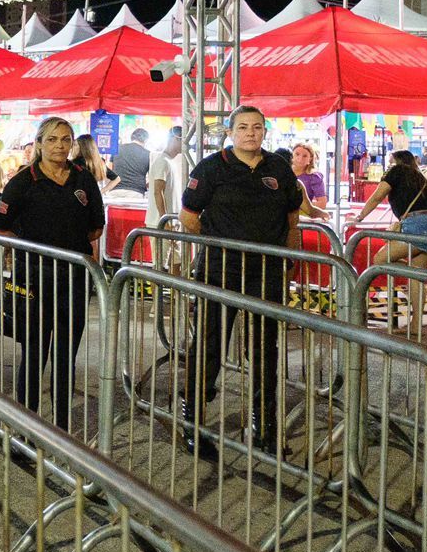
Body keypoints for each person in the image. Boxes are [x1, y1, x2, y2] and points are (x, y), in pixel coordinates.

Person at [178, 105, 301, 460]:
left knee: (264, 350)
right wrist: (220, 243)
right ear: (230, 132)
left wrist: (288, 261)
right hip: (219, 271)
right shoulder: (211, 168)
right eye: (243, 127)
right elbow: (188, 217)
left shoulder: (278, 167)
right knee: (209, 347)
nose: (251, 132)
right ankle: (194, 424)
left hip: (266, 272)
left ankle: (264, 427)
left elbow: (292, 218)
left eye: (257, 127)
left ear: (265, 131)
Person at [0, 116, 105, 431]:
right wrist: (30, 248)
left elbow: (96, 227)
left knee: (66, 357)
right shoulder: (23, 181)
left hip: (74, 279)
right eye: (52, 139)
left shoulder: (83, 178)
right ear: (39, 144)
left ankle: (61, 429)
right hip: (34, 279)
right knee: (34, 354)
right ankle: (25, 429)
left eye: (66, 139)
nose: (59, 146)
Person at [355, 149, 427, 339]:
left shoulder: (396, 171)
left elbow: (377, 196)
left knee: (380, 259)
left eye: (390, 161)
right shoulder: (418, 177)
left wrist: (359, 217)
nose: (388, 164)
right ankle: (415, 325)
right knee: (415, 276)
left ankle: (419, 276)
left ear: (396, 161)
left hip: (418, 225)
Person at [290, 142, 327, 212]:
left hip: (303, 215)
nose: (300, 158)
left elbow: (322, 203)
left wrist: (301, 206)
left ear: (310, 159)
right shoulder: (283, 173)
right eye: (297, 154)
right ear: (292, 156)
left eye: (305, 156)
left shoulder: (314, 177)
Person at [113, 128, 152, 194]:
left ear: (131, 137)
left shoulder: (117, 149)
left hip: (115, 191)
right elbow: (152, 179)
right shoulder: (148, 154)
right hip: (136, 193)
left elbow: (108, 170)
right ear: (146, 140)